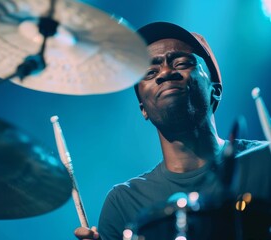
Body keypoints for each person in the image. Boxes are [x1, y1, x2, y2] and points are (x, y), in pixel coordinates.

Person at [74, 22, 271, 240]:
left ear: (214, 91)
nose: (166, 72)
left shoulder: (266, 161)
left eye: (181, 63)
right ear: (143, 109)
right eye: (150, 72)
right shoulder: (124, 202)